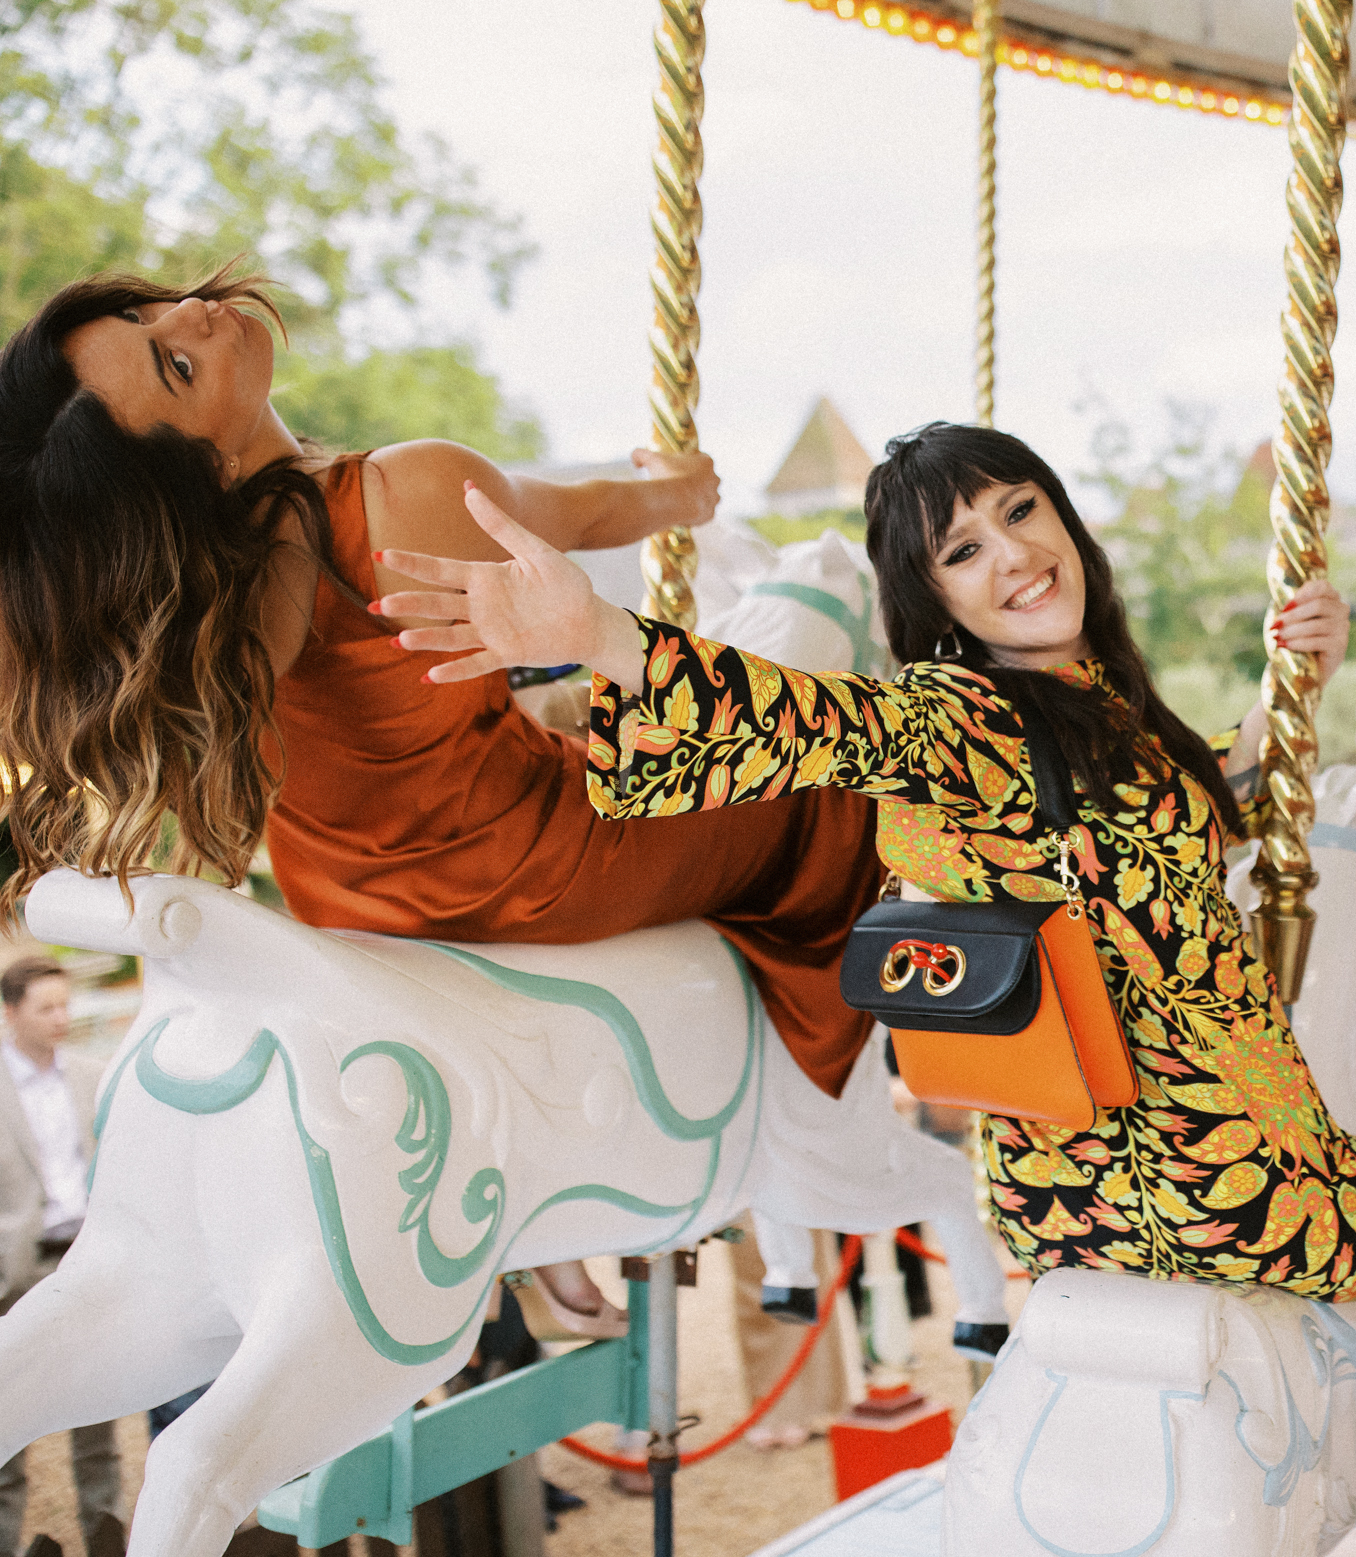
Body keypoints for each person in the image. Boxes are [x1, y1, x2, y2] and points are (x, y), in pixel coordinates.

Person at [372, 422, 1356, 1557]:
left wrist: (1293, 684)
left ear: (1062, 517)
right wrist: (606, 638)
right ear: (935, 604)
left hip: (1049, 1187)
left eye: (1019, 512)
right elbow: (815, 718)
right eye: (962, 551)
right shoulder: (960, 717)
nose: (1013, 555)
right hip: (1216, 1181)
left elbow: (1179, 804)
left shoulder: (1096, 716)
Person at [0, 269, 889, 1335]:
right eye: (176, 365)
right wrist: (677, 497)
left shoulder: (203, 611)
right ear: (205, 463)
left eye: (148, 314)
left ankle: (553, 1202)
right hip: (526, 862)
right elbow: (578, 512)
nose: (186, 314)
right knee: (819, 786)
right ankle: (825, 1090)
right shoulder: (403, 493)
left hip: (355, 900)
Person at [0, 957, 123, 1557]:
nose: (61, 1018)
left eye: (65, 1004)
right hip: (13, 1275)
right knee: (5, 1432)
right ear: (9, 1012)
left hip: (85, 1267)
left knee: (96, 1426)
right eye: (45, 1007)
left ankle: (105, 1539)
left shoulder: (93, 1076)